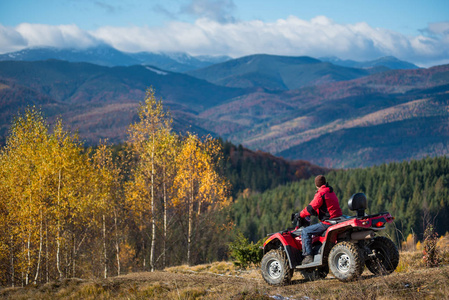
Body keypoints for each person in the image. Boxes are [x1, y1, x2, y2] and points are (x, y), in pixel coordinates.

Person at [299, 175, 342, 265]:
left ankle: (308, 256)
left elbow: (310, 208)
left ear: (316, 184)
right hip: (337, 219)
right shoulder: (330, 191)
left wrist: (300, 214)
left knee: (305, 232)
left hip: (328, 222)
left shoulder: (321, 193)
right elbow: (326, 207)